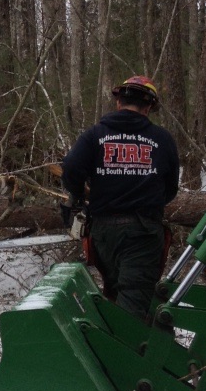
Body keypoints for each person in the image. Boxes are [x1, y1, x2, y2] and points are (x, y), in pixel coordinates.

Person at [61, 76, 180, 320]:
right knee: (134, 304)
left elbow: (71, 168)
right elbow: (171, 188)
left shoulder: (94, 135)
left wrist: (77, 196)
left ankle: (118, 345)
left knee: (117, 295)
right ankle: (125, 351)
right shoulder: (162, 139)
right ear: (147, 107)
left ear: (119, 103)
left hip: (104, 231)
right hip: (143, 233)